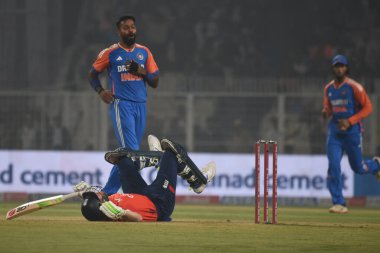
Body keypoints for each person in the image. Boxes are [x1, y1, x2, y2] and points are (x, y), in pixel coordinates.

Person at [88, 15, 159, 195]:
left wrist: (141, 72)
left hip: (141, 106)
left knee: (129, 155)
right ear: (119, 31)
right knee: (132, 153)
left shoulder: (144, 52)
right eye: (126, 28)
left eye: (133, 27)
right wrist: (100, 91)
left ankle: (105, 194)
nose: (130, 31)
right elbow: (92, 74)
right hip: (122, 105)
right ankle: (111, 193)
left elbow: (155, 81)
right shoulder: (110, 53)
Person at [75, 138, 216, 222]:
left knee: (122, 160)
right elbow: (138, 218)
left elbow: (91, 205)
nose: (97, 192)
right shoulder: (113, 213)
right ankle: (197, 182)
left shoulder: (104, 203)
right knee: (171, 153)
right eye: (96, 196)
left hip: (140, 194)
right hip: (159, 203)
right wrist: (121, 213)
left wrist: (84, 192)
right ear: (100, 206)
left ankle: (157, 157)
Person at [322, 54, 380, 214]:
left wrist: (351, 121)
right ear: (333, 68)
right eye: (336, 66)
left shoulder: (355, 87)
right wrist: (325, 112)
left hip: (352, 132)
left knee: (358, 168)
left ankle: (376, 165)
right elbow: (327, 108)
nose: (339, 68)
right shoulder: (328, 88)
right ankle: (339, 203)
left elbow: (368, 107)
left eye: (342, 66)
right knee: (333, 166)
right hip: (334, 133)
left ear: (346, 68)